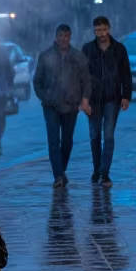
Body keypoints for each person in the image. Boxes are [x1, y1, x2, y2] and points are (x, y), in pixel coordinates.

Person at [33, 24, 92, 188]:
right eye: (61, 36)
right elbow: (37, 81)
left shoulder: (78, 56)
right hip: (51, 105)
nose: (63, 39)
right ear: (56, 37)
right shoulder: (46, 56)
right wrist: (45, 97)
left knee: (67, 141)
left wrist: (84, 99)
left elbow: (86, 80)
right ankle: (58, 175)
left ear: (70, 37)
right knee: (53, 140)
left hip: (71, 105)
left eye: (66, 36)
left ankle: (61, 170)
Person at [82, 16, 133, 187]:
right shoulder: (88, 49)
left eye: (103, 30)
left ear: (109, 29)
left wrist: (126, 96)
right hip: (93, 99)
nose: (101, 34)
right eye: (97, 30)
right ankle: (97, 169)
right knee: (94, 136)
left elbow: (126, 73)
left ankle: (105, 172)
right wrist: (83, 99)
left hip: (112, 97)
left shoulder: (119, 49)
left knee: (108, 135)